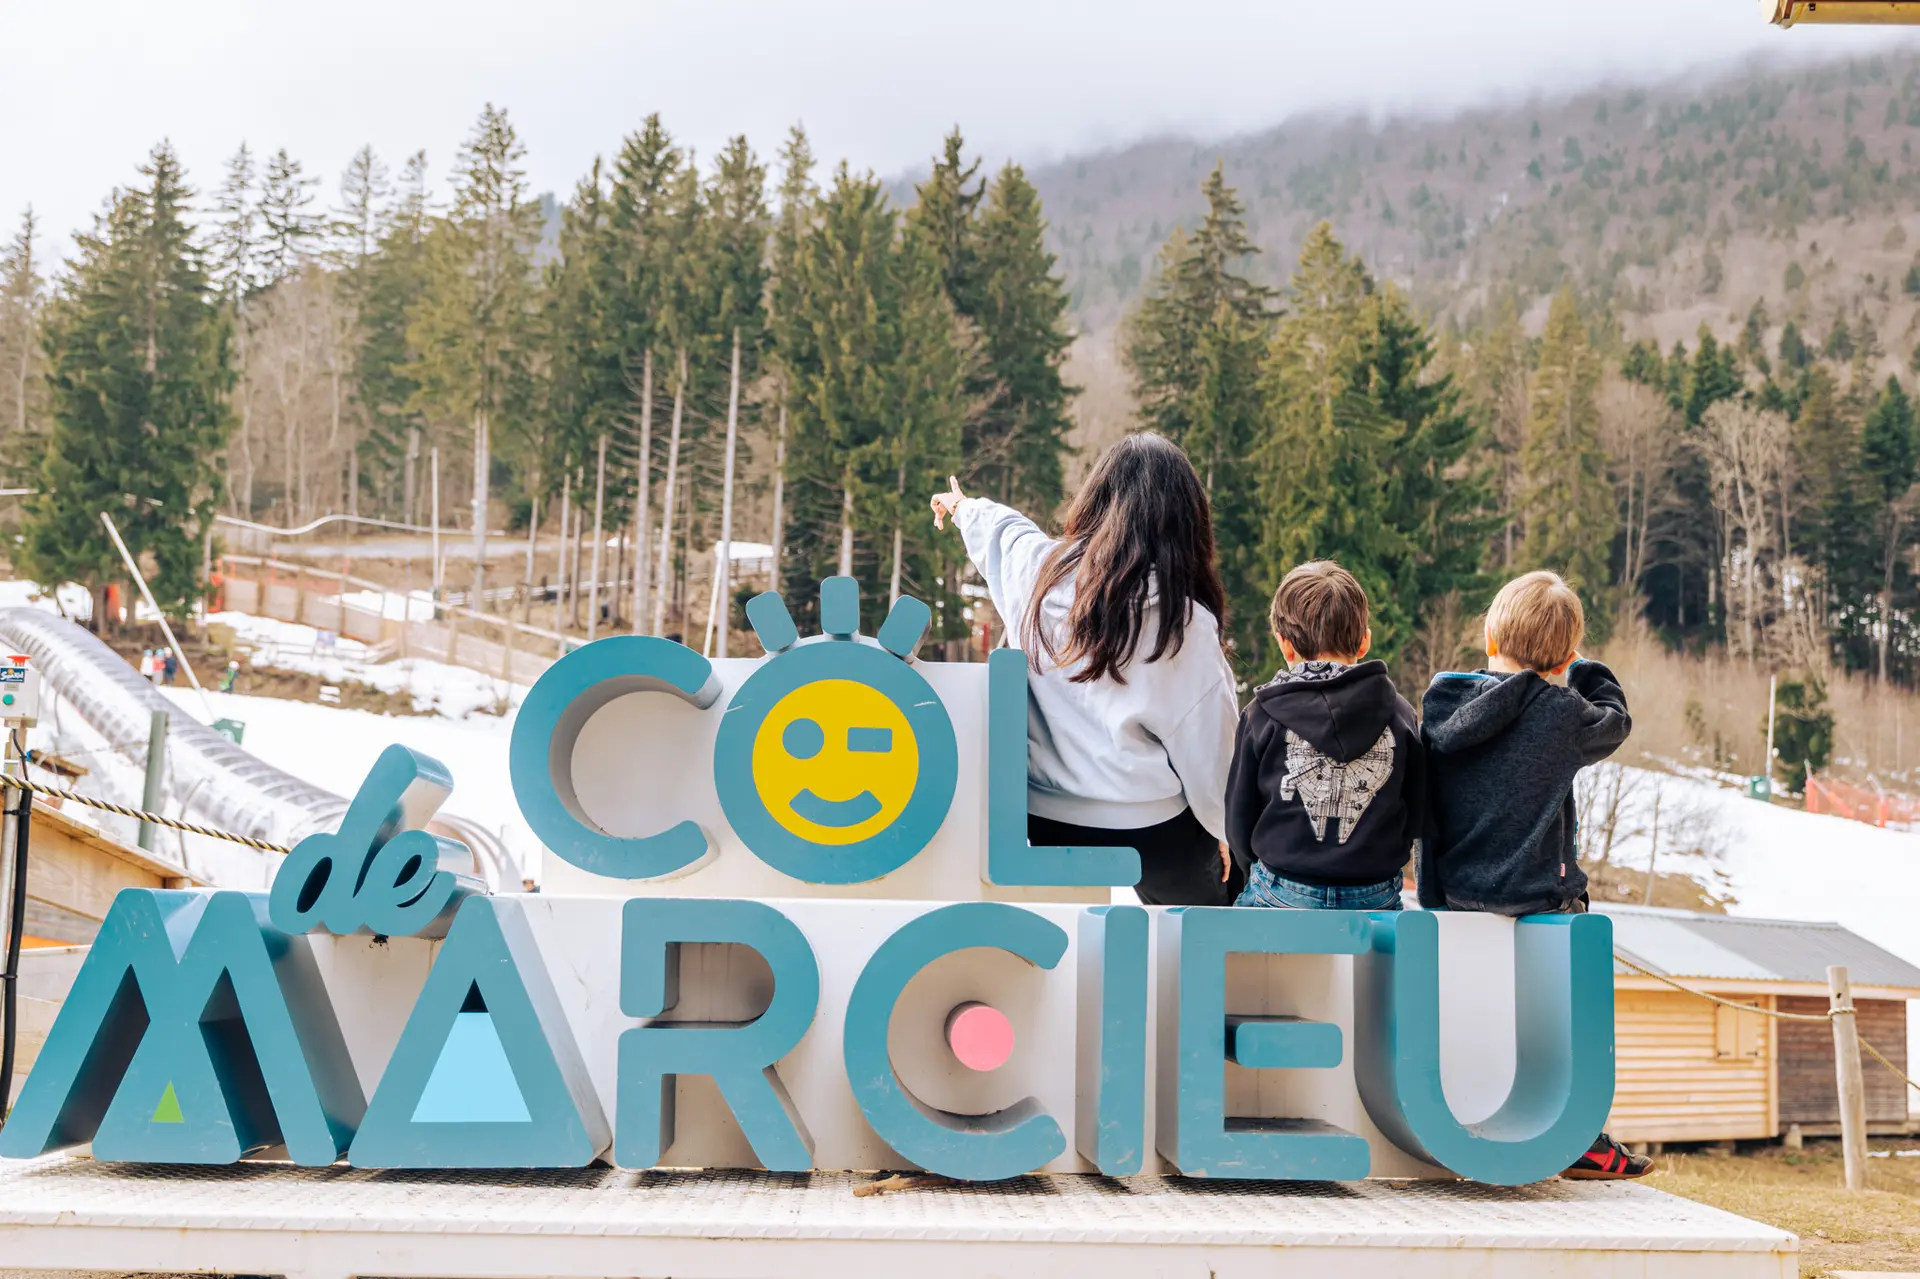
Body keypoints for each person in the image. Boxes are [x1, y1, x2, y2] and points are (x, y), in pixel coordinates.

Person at [931, 433, 1240, 905]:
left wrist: (961, 507)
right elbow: (1211, 752)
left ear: (1095, 499)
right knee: (1231, 891)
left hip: (1044, 819)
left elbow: (1002, 532)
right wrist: (1226, 832)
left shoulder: (1039, 571)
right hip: (1148, 828)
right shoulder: (1184, 625)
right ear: (1186, 521)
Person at [1418, 569, 1644, 1182]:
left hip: (1451, 896)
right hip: (1535, 898)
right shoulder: (1564, 712)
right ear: (1564, 657)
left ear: (1490, 633)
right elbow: (1616, 718)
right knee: (1570, 989)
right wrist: (1586, 669)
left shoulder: (1442, 699)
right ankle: (1583, 1136)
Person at [1225, 561, 1423, 910]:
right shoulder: (1400, 713)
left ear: (1285, 646)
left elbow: (1239, 819)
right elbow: (1416, 812)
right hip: (1374, 891)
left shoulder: (1261, 715)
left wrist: (1254, 868)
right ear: (1364, 642)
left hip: (1282, 889)